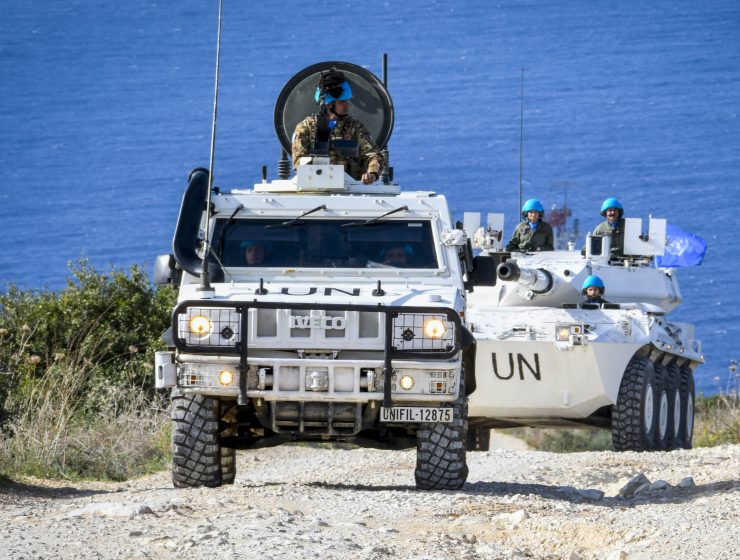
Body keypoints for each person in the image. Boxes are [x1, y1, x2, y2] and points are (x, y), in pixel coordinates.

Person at [292, 69, 384, 184]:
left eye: (347, 101)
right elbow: (299, 163)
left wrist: (372, 174)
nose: (347, 105)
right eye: (342, 102)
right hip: (316, 188)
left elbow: (373, 155)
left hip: (351, 189)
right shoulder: (305, 128)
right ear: (329, 105)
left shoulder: (355, 127)